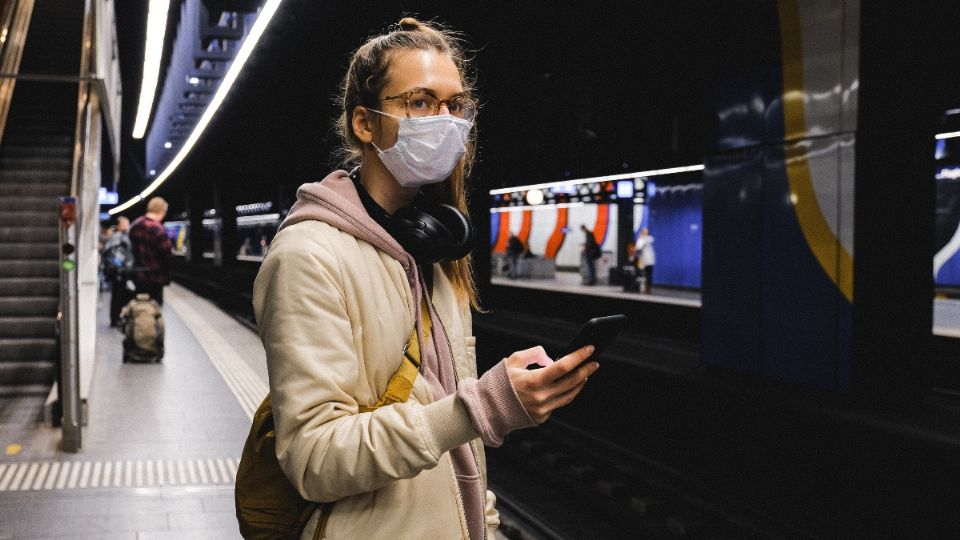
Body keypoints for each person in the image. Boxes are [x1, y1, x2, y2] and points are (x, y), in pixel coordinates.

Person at [251, 17, 598, 539]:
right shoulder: (308, 257)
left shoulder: (435, 250)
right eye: (419, 102)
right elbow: (315, 458)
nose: (445, 120)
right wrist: (485, 405)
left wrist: (485, 524)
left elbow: (460, 449)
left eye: (455, 104)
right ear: (365, 125)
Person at [129, 197, 173, 305]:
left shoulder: (135, 225)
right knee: (154, 309)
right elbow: (167, 254)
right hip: (155, 278)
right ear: (161, 211)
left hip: (137, 276)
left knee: (139, 307)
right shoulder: (157, 228)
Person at [103, 216, 132, 326]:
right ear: (119, 225)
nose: (127, 226)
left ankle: (118, 317)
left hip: (122, 271)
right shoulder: (117, 237)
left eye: (127, 223)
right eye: (125, 223)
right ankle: (115, 319)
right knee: (117, 296)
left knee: (120, 296)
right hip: (117, 272)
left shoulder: (122, 236)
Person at [635, 226, 656, 293]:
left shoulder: (649, 238)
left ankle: (648, 289)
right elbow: (638, 248)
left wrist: (642, 238)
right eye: (644, 231)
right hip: (642, 260)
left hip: (649, 260)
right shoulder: (640, 239)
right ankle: (643, 288)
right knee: (643, 275)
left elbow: (650, 240)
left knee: (648, 275)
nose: (645, 232)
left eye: (646, 231)